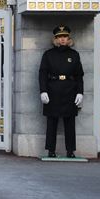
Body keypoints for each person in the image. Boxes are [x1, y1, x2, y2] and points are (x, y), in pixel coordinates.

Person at [39, 25, 84, 158]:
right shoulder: (48, 55)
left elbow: (79, 75)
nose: (62, 39)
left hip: (70, 90)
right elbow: (42, 74)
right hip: (53, 90)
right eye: (59, 37)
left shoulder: (74, 55)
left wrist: (80, 92)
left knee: (70, 122)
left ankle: (70, 151)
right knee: (52, 122)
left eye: (64, 36)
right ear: (55, 39)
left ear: (68, 38)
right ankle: (51, 150)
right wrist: (43, 91)